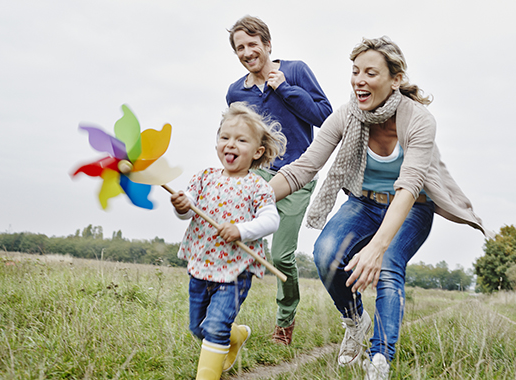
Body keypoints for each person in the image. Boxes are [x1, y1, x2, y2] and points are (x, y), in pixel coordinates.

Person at [269, 36, 492, 380]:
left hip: (412, 206)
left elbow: (409, 185)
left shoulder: (418, 120)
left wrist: (376, 247)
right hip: (364, 202)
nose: (359, 79)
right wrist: (252, 198)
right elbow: (304, 167)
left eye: (370, 72)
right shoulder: (347, 115)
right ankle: (356, 321)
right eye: (355, 71)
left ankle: (379, 361)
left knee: (388, 264)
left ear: (395, 79)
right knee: (326, 254)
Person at [226, 15, 332, 345]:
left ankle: (285, 323)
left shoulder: (296, 70)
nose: (247, 52)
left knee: (282, 255)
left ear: (267, 45)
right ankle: (222, 319)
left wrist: (284, 88)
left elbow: (325, 117)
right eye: (239, 48)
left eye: (252, 44)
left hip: (298, 175)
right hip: (257, 176)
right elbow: (237, 139)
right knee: (233, 241)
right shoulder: (235, 93)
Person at [172, 102, 286, 380]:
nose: (230, 144)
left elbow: (272, 220)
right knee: (198, 327)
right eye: (224, 137)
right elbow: (185, 214)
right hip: (201, 265)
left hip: (235, 270)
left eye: (241, 140)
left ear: (258, 151)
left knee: (214, 328)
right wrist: (181, 206)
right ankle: (235, 335)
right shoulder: (203, 178)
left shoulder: (257, 186)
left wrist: (241, 230)